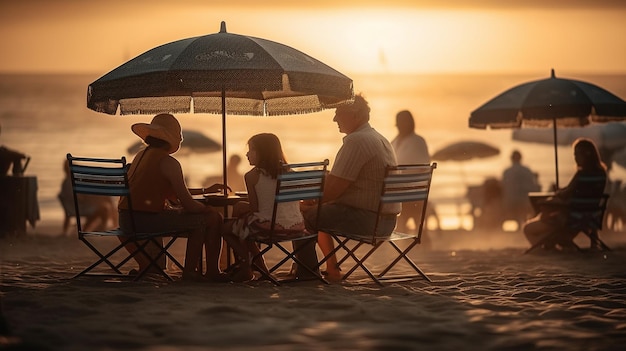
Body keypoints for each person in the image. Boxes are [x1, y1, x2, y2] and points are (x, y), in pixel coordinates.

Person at [301, 94, 400, 281]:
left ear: (356, 115)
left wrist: (308, 204)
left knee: (304, 216)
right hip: (387, 221)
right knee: (319, 212)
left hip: (368, 222)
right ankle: (332, 269)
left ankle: (306, 272)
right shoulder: (380, 139)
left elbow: (332, 191)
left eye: (339, 113)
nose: (334, 118)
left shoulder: (356, 141)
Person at [118, 113, 229, 281]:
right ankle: (203, 271)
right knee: (212, 218)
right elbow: (189, 205)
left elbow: (175, 190)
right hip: (146, 221)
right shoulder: (169, 163)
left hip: (126, 220)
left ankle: (154, 267)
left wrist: (205, 190)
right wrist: (208, 209)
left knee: (200, 220)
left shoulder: (140, 156)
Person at [222, 133, 305, 282]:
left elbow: (255, 209)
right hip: (297, 227)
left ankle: (246, 265)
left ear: (263, 151)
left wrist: (242, 207)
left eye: (252, 149)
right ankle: (261, 269)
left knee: (226, 229)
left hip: (269, 227)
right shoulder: (291, 173)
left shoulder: (252, 175)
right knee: (244, 224)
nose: (247, 153)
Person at [523, 138, 607, 250]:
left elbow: (566, 194)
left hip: (570, 220)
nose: (575, 158)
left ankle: (546, 249)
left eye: (578, 154)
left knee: (528, 229)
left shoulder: (582, 174)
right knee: (557, 235)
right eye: (574, 155)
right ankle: (554, 243)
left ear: (587, 155)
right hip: (589, 218)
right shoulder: (601, 174)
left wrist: (557, 194)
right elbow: (579, 193)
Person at [390, 110, 432, 234]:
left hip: (411, 194)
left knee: (412, 219)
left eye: (401, 122)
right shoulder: (394, 142)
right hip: (399, 193)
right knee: (413, 222)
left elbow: (423, 168)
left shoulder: (417, 141)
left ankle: (414, 242)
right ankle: (414, 242)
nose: (399, 125)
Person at [59, 159, 118, 235]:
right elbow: (79, 198)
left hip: (76, 207)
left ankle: (104, 227)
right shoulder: (70, 182)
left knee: (104, 201)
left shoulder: (67, 182)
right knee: (104, 207)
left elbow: (77, 197)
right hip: (79, 207)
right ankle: (105, 227)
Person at [501, 150, 540, 231]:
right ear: (521, 158)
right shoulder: (527, 170)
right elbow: (533, 187)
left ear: (511, 159)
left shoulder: (507, 172)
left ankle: (519, 227)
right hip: (524, 202)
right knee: (525, 209)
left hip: (510, 202)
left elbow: (503, 187)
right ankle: (523, 227)